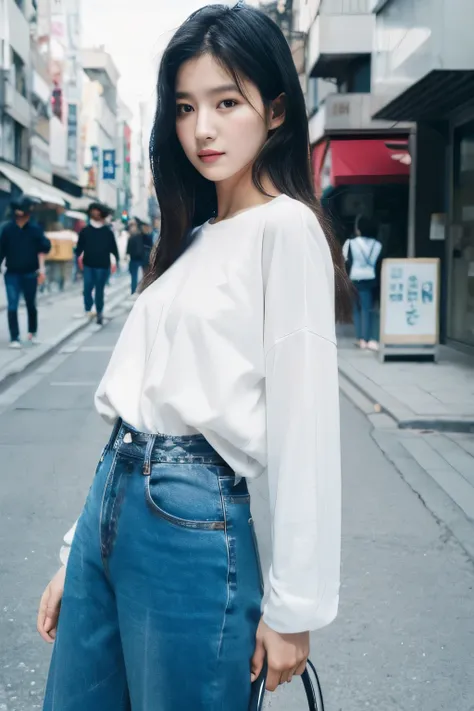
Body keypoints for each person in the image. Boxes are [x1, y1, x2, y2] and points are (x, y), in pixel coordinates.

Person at [37, 5, 353, 710]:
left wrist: (293, 607)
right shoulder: (193, 240)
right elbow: (138, 403)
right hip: (109, 512)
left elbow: (305, 425)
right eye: (185, 107)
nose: (201, 129)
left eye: (226, 102)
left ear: (275, 111)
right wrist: (75, 550)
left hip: (192, 518)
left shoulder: (287, 229)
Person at [0, 196, 50, 348]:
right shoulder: (8, 229)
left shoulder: (35, 230)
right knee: (12, 305)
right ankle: (14, 337)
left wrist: (41, 270)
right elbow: (1, 251)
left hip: (30, 272)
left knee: (30, 304)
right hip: (12, 273)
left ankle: (32, 332)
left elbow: (43, 249)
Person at [75, 203, 120, 325]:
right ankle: (88, 309)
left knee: (99, 290)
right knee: (87, 287)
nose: (95, 214)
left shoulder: (107, 232)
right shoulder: (85, 231)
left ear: (102, 214)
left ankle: (99, 311)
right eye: (93, 211)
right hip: (88, 264)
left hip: (103, 264)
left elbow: (113, 248)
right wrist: (78, 261)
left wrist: (116, 260)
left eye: (98, 212)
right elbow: (79, 248)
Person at [343, 215, 383, 351]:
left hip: (355, 278)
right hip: (371, 280)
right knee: (368, 309)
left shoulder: (351, 243)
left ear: (358, 228)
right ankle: (369, 338)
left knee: (357, 309)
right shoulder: (378, 245)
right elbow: (379, 265)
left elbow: (347, 263)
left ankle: (360, 339)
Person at [126, 217, 150, 294]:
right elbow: (128, 248)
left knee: (144, 276)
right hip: (134, 259)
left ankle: (142, 291)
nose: (132, 227)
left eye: (133, 225)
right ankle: (134, 291)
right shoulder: (131, 236)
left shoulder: (142, 235)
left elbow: (148, 245)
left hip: (142, 258)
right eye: (131, 225)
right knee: (134, 276)